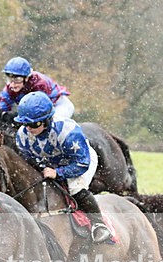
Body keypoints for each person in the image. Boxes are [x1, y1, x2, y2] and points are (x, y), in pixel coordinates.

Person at [13, 91, 112, 244]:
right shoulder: (22, 136)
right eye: (25, 123)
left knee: (75, 188)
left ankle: (99, 225)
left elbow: (81, 163)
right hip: (51, 162)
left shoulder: (68, 132)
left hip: (79, 160)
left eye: (33, 124)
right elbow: (30, 159)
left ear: (46, 120)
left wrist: (58, 173)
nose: (28, 128)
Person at [0, 56, 74, 121]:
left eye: (17, 79)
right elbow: (2, 106)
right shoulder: (10, 87)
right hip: (43, 109)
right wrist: (2, 112)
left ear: (26, 78)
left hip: (59, 106)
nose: (12, 84)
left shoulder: (39, 84)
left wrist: (15, 115)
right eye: (9, 79)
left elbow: (37, 113)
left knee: (51, 124)